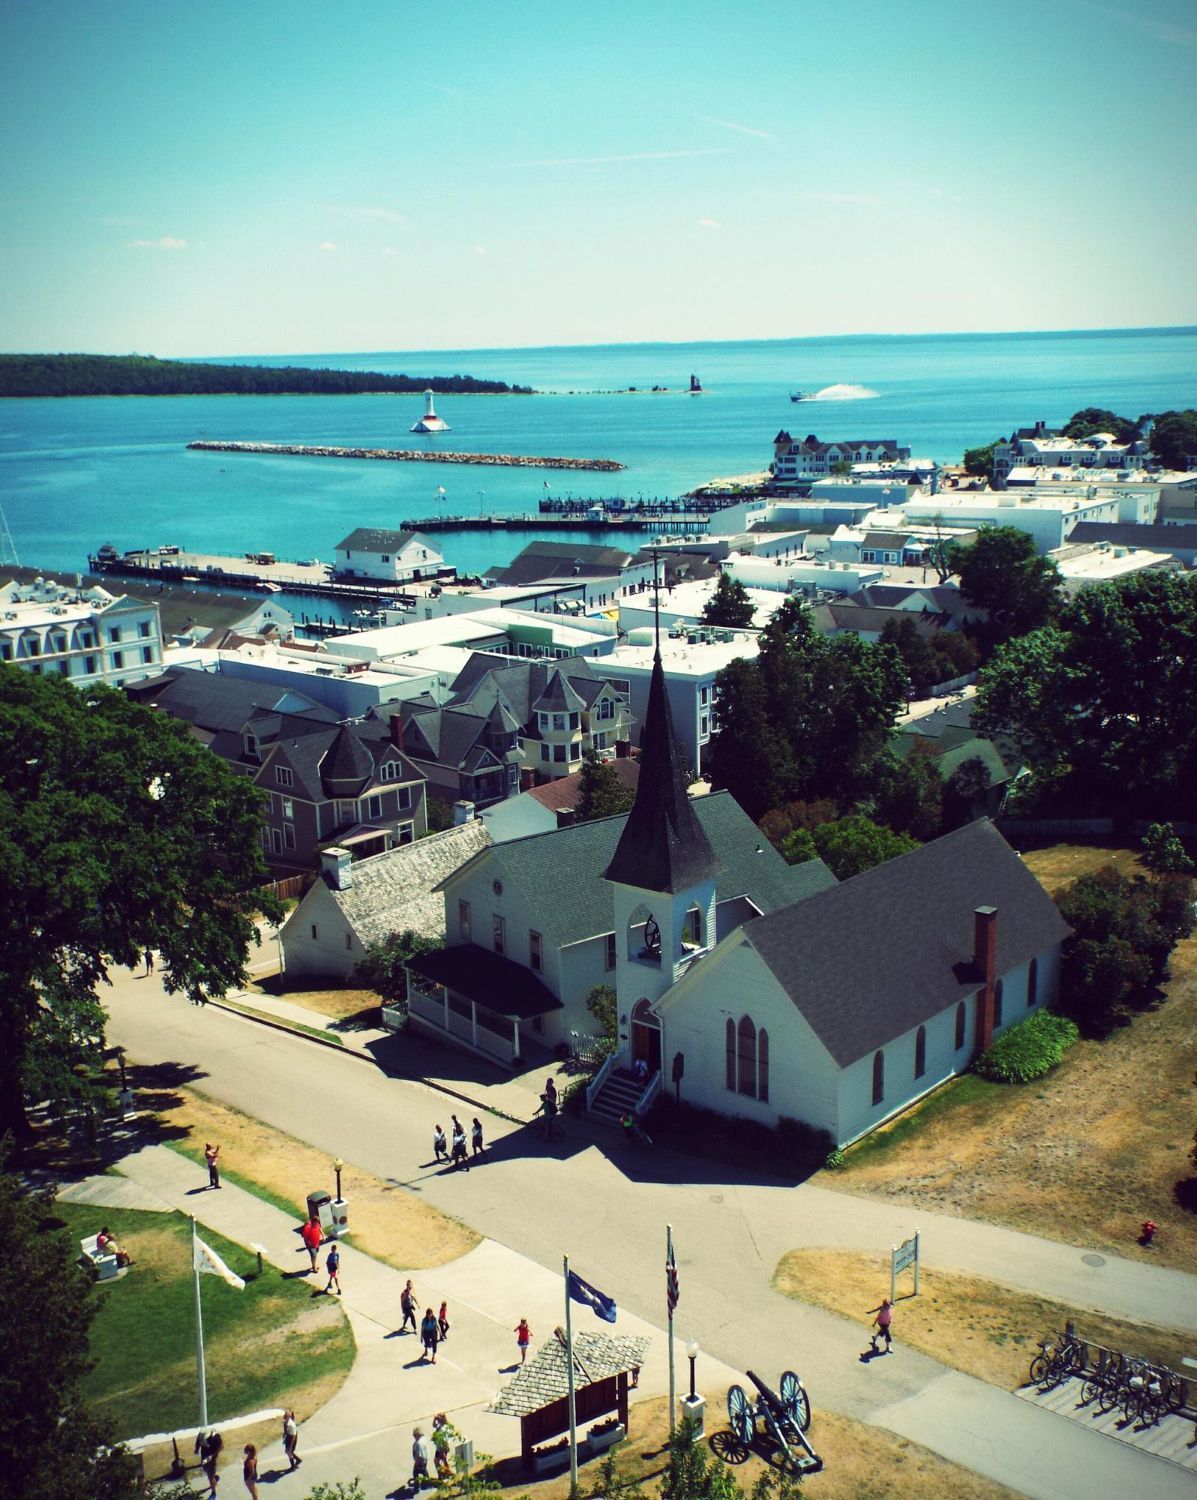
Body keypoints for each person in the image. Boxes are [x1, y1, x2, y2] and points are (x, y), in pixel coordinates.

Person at [200, 1429, 222, 1495]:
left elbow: (208, 1458)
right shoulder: (217, 1442)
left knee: (210, 1477)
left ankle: (213, 1492)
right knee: (208, 1472)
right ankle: (214, 1479)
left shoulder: (212, 1442)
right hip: (207, 1460)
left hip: (209, 1461)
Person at [431, 1414, 453, 1481]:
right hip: (439, 1447)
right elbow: (434, 1425)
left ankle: (444, 1474)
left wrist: (442, 1451)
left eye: (439, 1418)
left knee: (437, 1461)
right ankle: (445, 1474)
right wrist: (434, 1419)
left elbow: (444, 1440)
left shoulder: (444, 1428)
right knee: (442, 1461)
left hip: (442, 1448)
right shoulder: (440, 1425)